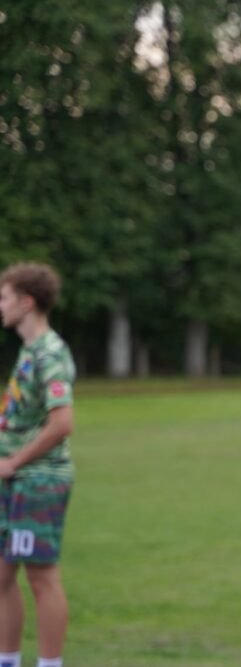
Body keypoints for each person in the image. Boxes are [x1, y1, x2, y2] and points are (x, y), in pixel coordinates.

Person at [0, 262, 77, 667]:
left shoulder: (50, 353)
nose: (0, 306)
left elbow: (62, 423)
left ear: (26, 302)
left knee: (41, 578)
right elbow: (21, 416)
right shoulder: (29, 352)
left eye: (4, 297)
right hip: (14, 480)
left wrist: (14, 460)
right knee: (1, 576)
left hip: (39, 481)